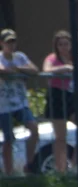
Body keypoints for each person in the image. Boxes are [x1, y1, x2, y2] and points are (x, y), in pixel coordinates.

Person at [42, 29, 78, 174]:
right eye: (61, 44)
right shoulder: (52, 59)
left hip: (71, 98)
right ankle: (61, 171)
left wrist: (76, 55)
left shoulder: (74, 58)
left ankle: (73, 165)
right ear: (56, 46)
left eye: (67, 44)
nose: (64, 47)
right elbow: (47, 69)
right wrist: (65, 68)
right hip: (57, 97)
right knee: (61, 137)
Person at [0, 29, 39, 175]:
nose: (11, 45)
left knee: (34, 129)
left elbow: (34, 70)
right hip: (4, 106)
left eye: (13, 42)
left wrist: (18, 69)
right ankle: (9, 173)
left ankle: (28, 165)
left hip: (21, 103)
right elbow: (2, 70)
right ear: (1, 43)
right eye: (8, 42)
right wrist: (20, 73)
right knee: (9, 139)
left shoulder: (20, 57)